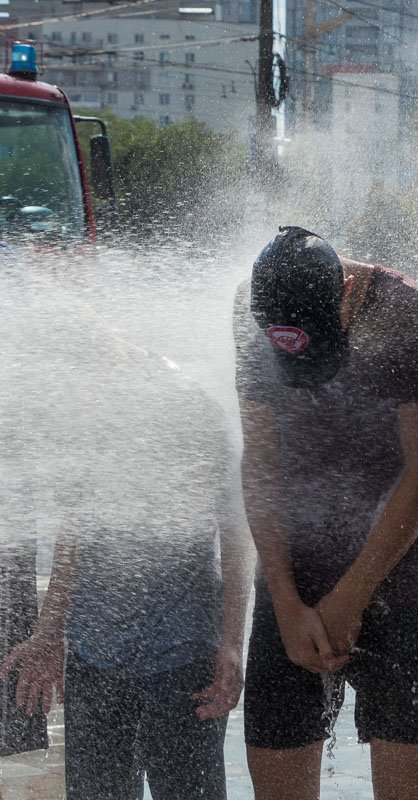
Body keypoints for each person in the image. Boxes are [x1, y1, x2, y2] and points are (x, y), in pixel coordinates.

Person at [234, 226, 418, 800]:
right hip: (292, 584)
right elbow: (261, 462)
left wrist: (351, 596)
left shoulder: (406, 311)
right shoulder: (250, 313)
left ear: (347, 289)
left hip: (398, 579)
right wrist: (283, 598)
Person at [2, 321, 251, 800]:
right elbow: (76, 529)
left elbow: (237, 532)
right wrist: (51, 630)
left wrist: (231, 644)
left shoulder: (191, 408)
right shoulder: (85, 417)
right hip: (96, 656)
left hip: (181, 657)